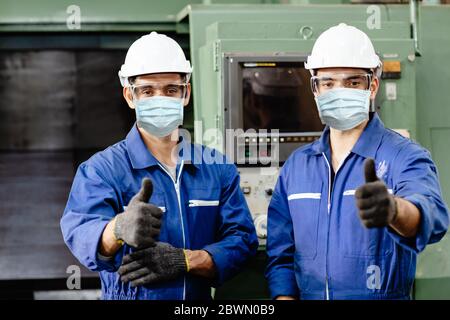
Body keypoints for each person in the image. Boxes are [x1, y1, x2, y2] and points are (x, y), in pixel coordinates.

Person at [60, 32, 258, 300]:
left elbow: (243, 241)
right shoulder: (102, 170)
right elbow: (81, 235)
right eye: (147, 91)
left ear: (185, 93)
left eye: (170, 90)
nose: (159, 99)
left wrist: (186, 260)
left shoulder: (217, 168)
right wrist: (117, 229)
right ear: (130, 96)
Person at [265, 23, 449, 300]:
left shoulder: (405, 156)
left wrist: (394, 210)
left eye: (352, 82)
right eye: (328, 83)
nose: (339, 91)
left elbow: (431, 216)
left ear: (372, 86)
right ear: (315, 89)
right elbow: (281, 256)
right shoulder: (297, 167)